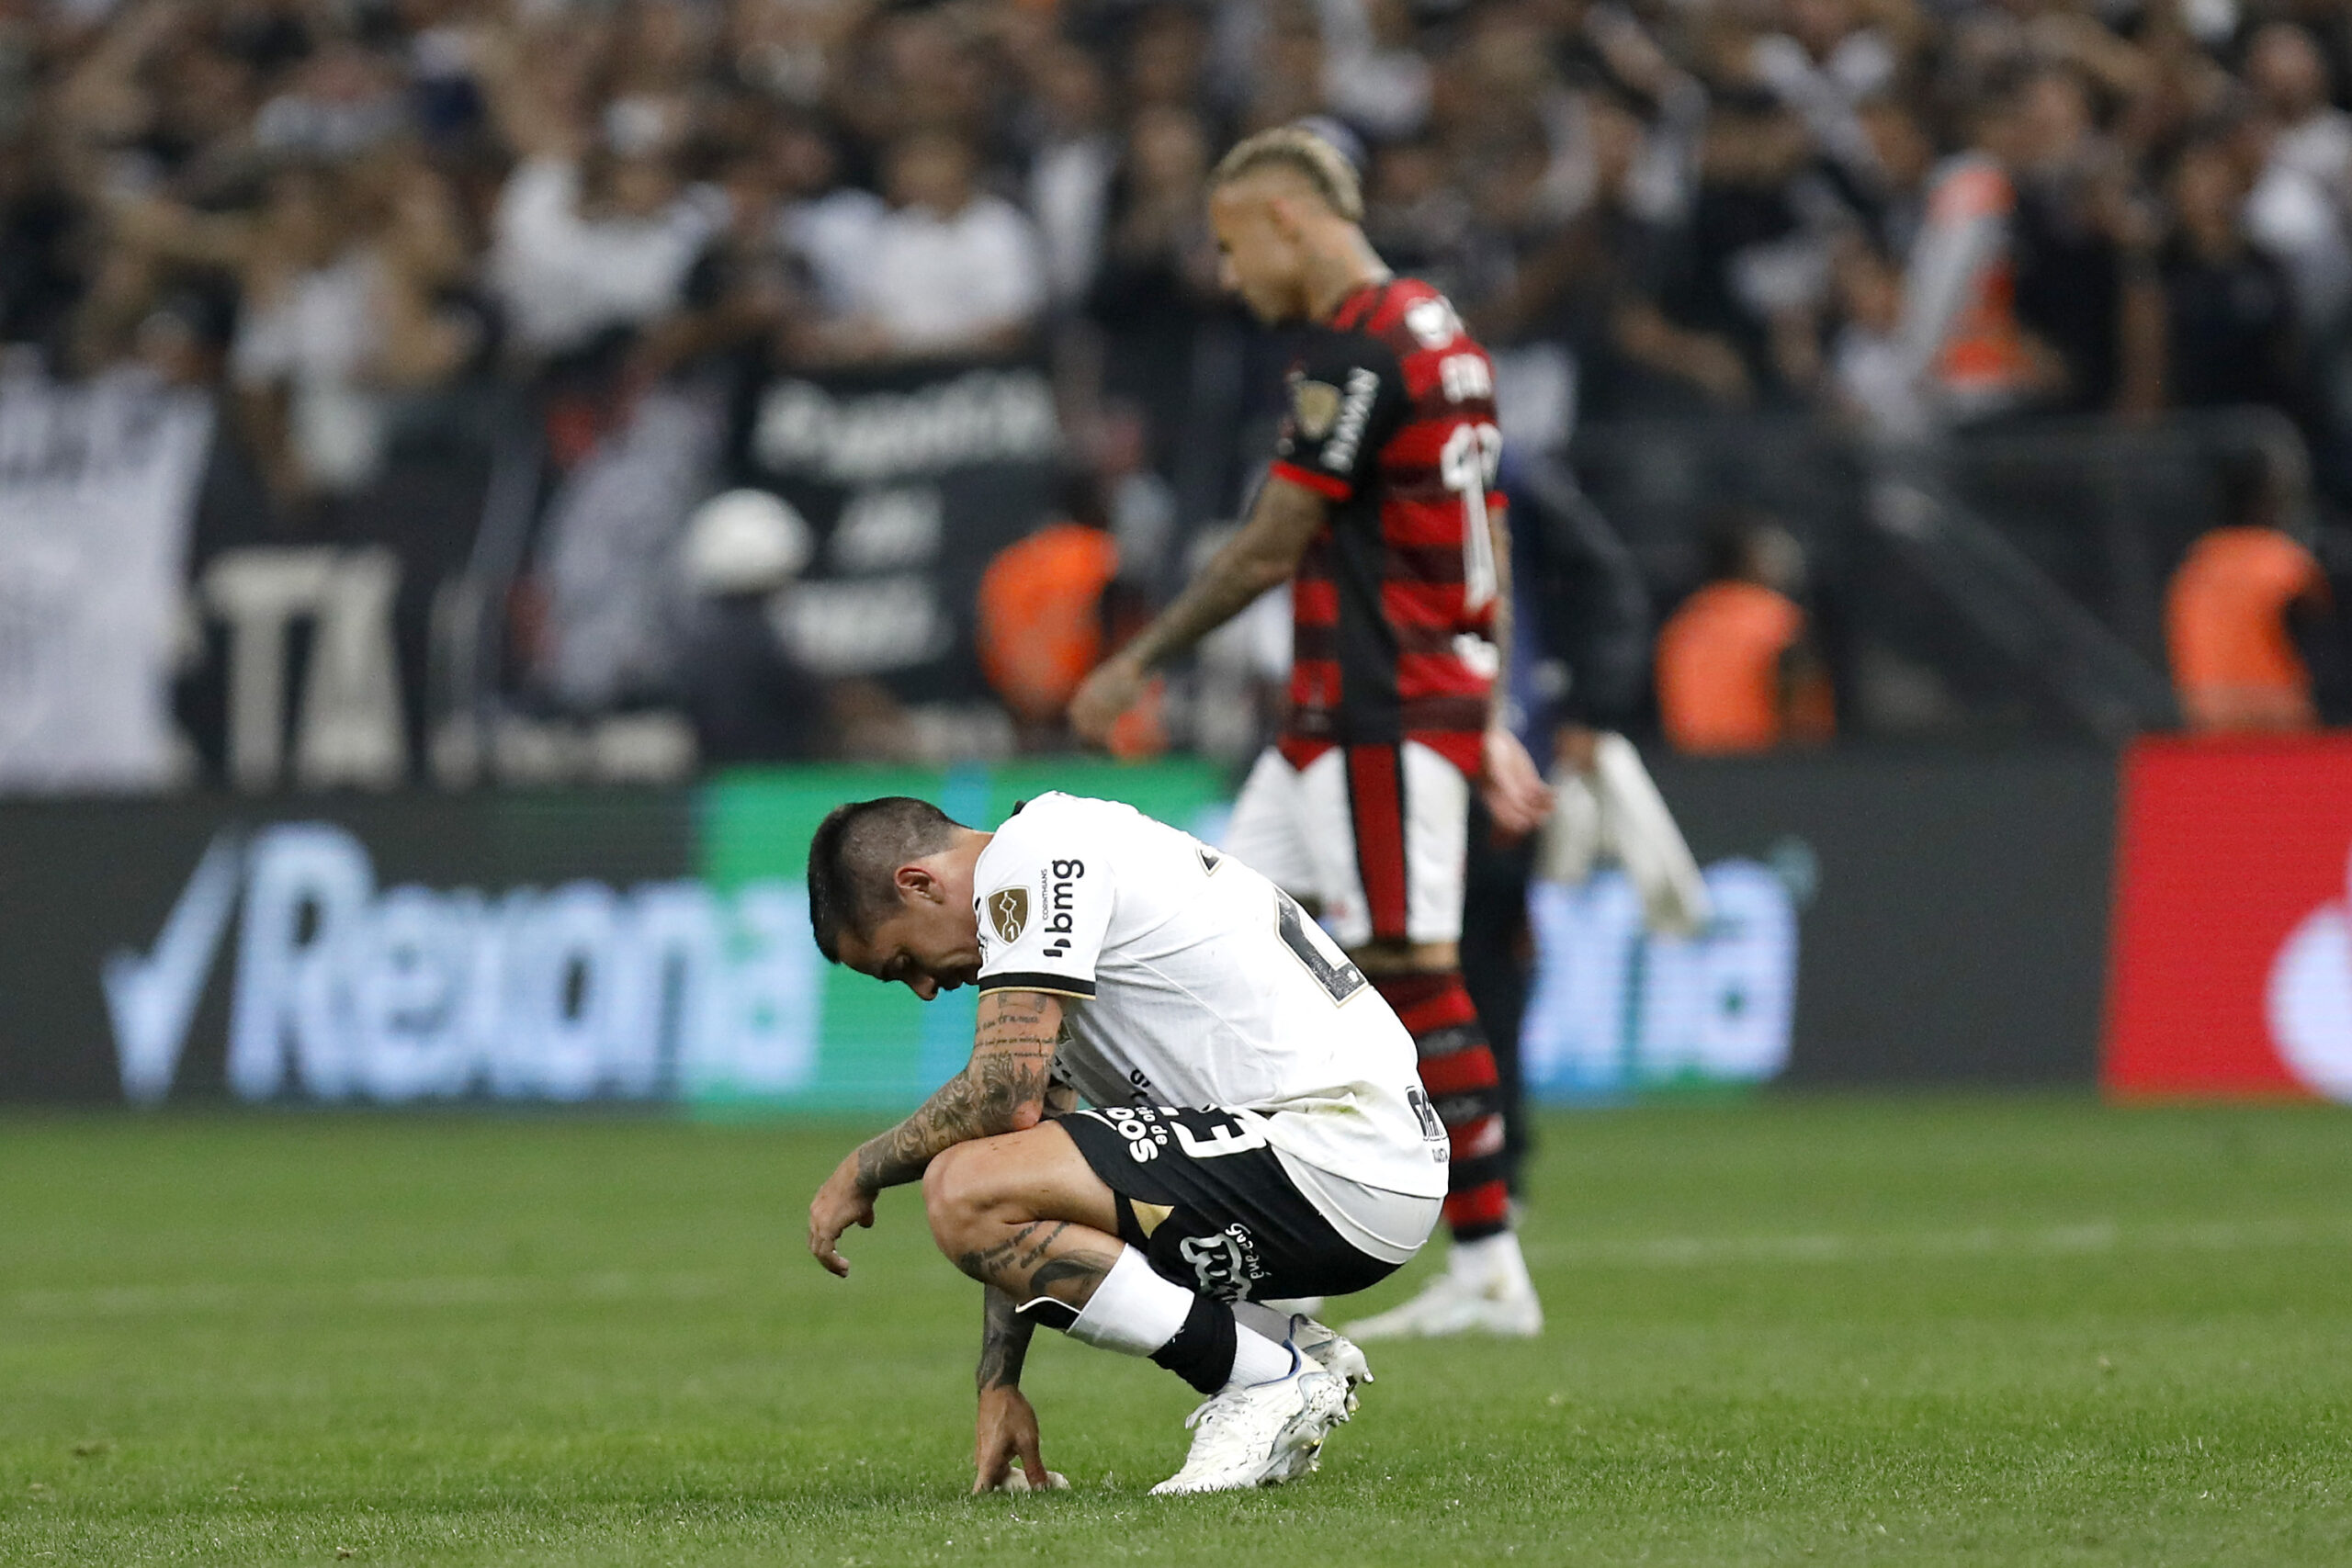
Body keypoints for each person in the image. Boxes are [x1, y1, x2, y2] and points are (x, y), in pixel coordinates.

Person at [1068, 125, 1554, 1340]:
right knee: (1221, 939)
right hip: (1342, 715)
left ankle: (1490, 1259)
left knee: (1411, 966)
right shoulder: (1438, 326)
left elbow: (1277, 538)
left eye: (1235, 247)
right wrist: (1487, 701)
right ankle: (1251, 1228)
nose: (1232, 277)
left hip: (1382, 714)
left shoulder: (1361, 345)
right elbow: (1485, 527)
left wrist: (1136, 655)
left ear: (1287, 219)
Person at [802, 793, 1450, 1495]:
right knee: (978, 1181)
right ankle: (1275, 1349)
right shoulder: (1056, 887)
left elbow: (1000, 1093)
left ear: (919, 883)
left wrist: (861, 1169)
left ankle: (1263, 1377)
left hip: (1338, 1147)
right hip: (1352, 1162)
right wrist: (1000, 1381)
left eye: (902, 961)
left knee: (955, 1185)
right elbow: (1016, 1153)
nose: (926, 989)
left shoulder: (1034, 854)